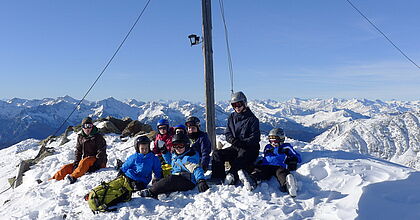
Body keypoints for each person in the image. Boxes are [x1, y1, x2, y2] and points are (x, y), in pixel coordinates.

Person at [210, 91, 261, 185]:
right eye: (234, 105)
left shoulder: (252, 119)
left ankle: (232, 175)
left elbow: (255, 138)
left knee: (240, 158)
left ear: (244, 103)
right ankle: (217, 177)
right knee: (217, 153)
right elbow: (228, 133)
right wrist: (232, 140)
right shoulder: (232, 117)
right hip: (236, 147)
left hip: (249, 148)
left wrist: (242, 142)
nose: (237, 107)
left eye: (239, 104)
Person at [139, 133, 209, 198]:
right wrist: (165, 152)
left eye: (181, 145)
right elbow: (171, 161)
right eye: (175, 145)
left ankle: (151, 192)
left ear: (187, 145)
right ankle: (155, 187)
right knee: (161, 176)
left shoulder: (187, 158)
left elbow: (196, 168)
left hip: (188, 182)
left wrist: (201, 180)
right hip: (178, 178)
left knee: (172, 179)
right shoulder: (177, 155)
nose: (178, 148)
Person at [240, 128, 302, 197]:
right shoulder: (267, 147)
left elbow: (298, 157)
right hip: (267, 166)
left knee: (282, 173)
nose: (273, 143)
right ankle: (252, 181)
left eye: (276, 141)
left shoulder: (286, 147)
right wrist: (261, 162)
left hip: (279, 166)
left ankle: (288, 185)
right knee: (259, 171)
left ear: (281, 139)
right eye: (271, 141)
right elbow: (265, 156)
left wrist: (292, 160)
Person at [49, 117, 107, 184]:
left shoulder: (98, 137)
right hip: (86, 162)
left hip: (98, 162)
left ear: (92, 126)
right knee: (66, 167)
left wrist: (96, 165)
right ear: (82, 127)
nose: (88, 128)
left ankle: (72, 177)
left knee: (85, 161)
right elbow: (78, 151)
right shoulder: (80, 137)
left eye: (89, 126)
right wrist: (76, 163)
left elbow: (101, 152)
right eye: (85, 126)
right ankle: (52, 180)